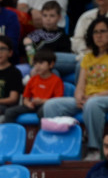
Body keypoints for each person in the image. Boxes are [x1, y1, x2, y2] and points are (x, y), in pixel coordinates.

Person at [43, 17, 108, 161]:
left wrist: (95, 96)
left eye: (103, 31)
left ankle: (94, 149)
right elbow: (80, 84)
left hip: (102, 98)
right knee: (51, 105)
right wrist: (79, 95)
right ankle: (57, 148)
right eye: (95, 32)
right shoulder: (88, 57)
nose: (99, 35)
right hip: (88, 99)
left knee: (92, 104)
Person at [4, 48, 63, 123]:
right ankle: (10, 133)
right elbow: (26, 98)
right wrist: (28, 104)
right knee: (9, 112)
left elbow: (58, 100)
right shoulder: (32, 79)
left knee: (42, 112)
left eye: (41, 63)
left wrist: (42, 101)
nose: (37, 66)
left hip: (46, 106)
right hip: (33, 105)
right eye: (35, 63)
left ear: (51, 64)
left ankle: (41, 134)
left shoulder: (57, 80)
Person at [22, 0, 73, 76]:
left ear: (59, 17)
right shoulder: (34, 34)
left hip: (52, 67)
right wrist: (26, 43)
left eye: (52, 16)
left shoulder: (63, 37)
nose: (48, 19)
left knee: (54, 73)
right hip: (32, 66)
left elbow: (63, 59)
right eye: (45, 15)